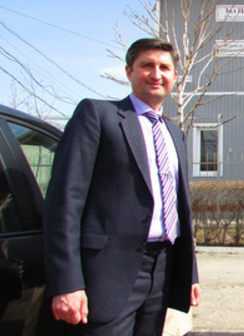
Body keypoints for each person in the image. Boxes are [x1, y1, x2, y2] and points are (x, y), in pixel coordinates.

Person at [43, 38, 201, 335]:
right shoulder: (97, 116)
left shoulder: (175, 133)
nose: (156, 74)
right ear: (129, 71)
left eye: (164, 67)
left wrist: (189, 272)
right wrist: (67, 283)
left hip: (162, 271)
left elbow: (181, 209)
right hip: (106, 275)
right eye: (146, 65)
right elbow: (64, 202)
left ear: (174, 77)